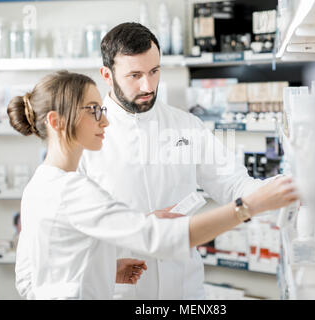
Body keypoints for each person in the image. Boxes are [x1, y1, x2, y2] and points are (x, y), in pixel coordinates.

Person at [9, 70, 298, 300]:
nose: (105, 121)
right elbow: (156, 238)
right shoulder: (72, 190)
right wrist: (248, 207)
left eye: (154, 70)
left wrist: (102, 271)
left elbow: (31, 277)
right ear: (56, 121)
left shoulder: (39, 185)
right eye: (94, 110)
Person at [78, 22, 290, 300]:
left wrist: (287, 188)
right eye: (135, 75)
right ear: (107, 75)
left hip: (183, 289)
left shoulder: (185, 125)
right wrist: (138, 227)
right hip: (121, 291)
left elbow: (235, 185)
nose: (148, 85)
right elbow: (72, 232)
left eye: (154, 71)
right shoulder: (83, 137)